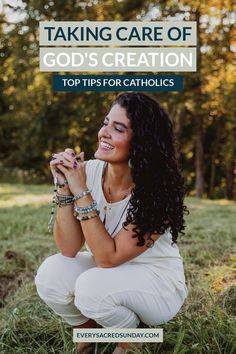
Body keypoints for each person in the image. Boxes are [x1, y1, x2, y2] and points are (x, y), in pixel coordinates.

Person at [35, 92, 188, 354]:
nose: (104, 132)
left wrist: (81, 191)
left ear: (142, 141)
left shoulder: (157, 190)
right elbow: (69, 248)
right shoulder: (91, 171)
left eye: (117, 128)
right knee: (52, 273)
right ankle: (87, 335)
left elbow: (108, 257)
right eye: (106, 123)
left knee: (91, 288)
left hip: (157, 283)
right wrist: (64, 187)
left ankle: (131, 337)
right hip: (108, 273)